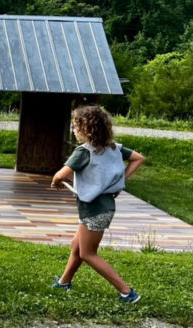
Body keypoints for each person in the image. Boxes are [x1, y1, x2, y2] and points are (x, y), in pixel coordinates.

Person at [51, 105, 146, 303]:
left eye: (76, 127)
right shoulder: (115, 148)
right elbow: (138, 158)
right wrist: (122, 179)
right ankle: (64, 282)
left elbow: (61, 174)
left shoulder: (84, 152)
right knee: (77, 245)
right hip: (103, 206)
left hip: (94, 209)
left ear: (87, 129)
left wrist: (56, 181)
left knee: (88, 253)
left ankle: (127, 292)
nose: (74, 131)